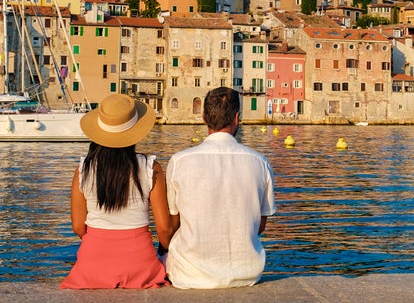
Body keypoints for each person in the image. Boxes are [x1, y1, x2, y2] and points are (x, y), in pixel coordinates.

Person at [165, 87, 276, 289]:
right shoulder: (260, 162)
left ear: (203, 117)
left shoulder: (179, 161)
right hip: (247, 274)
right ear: (236, 118)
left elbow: (173, 225)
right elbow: (259, 226)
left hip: (188, 274)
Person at [60, 94, 172, 289]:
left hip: (92, 262)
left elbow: (78, 226)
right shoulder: (150, 168)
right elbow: (163, 228)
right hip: (140, 263)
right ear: (135, 131)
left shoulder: (83, 170)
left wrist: (101, 242)